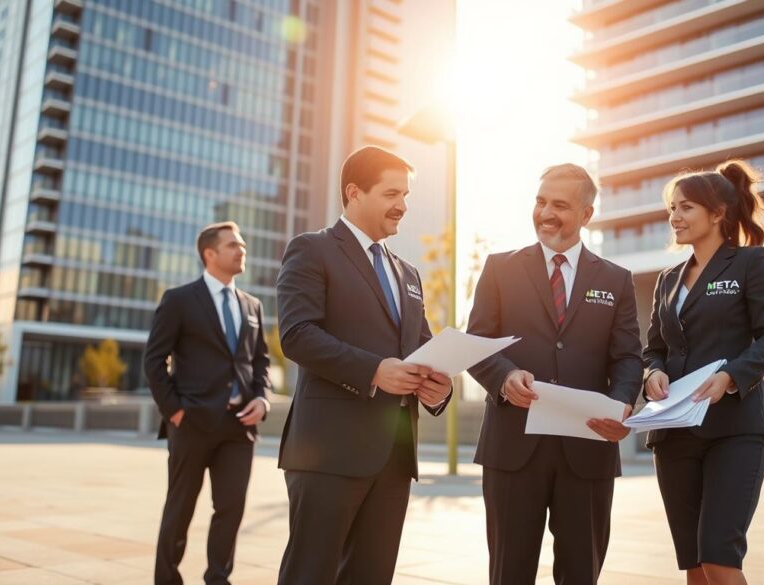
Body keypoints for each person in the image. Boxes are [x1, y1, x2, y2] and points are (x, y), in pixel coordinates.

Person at [275, 145, 452, 585]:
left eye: (406, 195)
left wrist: (437, 386)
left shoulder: (408, 273)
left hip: (394, 457)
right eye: (392, 194)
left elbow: (421, 348)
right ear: (354, 193)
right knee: (309, 575)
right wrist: (375, 370)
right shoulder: (311, 249)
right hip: (327, 453)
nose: (403, 206)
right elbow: (296, 334)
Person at [466, 163, 644, 584]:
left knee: (582, 573)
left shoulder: (616, 281)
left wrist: (622, 406)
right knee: (509, 573)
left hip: (589, 451)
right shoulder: (499, 268)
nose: (545, 213)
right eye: (540, 201)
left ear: (586, 214)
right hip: (512, 449)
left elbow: (627, 358)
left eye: (559, 205)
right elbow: (477, 343)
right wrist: (505, 378)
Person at [641, 159, 764, 585]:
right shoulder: (667, 279)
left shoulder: (750, 262)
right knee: (695, 564)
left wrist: (730, 376)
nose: (674, 217)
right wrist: (652, 373)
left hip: (736, 426)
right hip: (674, 431)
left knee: (720, 557)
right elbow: (654, 349)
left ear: (717, 213)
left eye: (685, 208)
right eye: (672, 208)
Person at [144, 221, 273, 585]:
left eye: (243, 245)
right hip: (192, 423)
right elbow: (154, 360)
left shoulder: (253, 305)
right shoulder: (179, 299)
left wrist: (262, 399)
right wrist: (176, 411)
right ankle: (166, 579)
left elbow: (260, 361)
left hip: (239, 426)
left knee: (230, 509)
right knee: (180, 508)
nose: (241, 250)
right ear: (210, 253)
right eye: (233, 245)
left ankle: (218, 579)